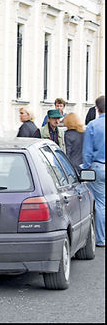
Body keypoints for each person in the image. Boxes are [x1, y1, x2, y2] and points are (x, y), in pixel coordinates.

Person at [81, 95, 105, 247]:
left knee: (100, 203)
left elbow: (87, 152)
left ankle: (101, 239)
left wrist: (85, 167)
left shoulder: (93, 125)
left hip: (98, 167)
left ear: (97, 108)